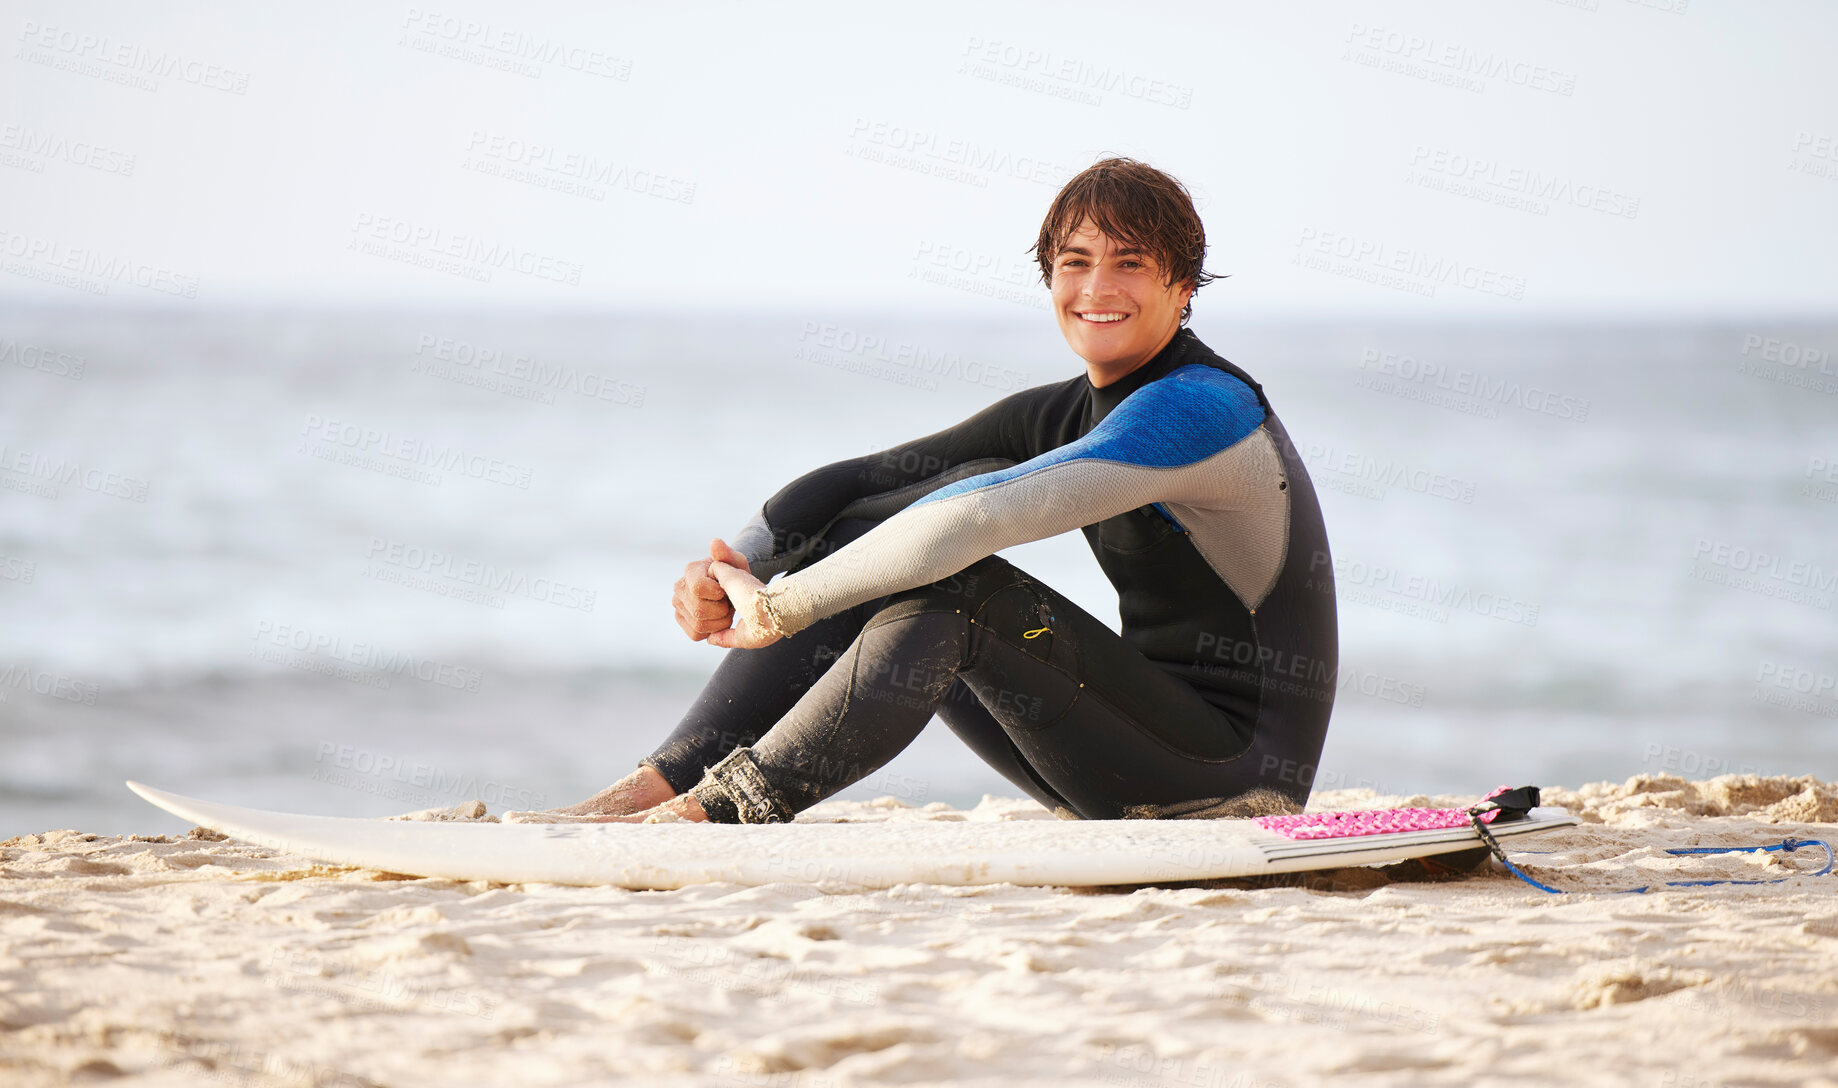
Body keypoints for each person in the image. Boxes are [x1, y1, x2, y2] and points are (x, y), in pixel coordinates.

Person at [505, 157, 1338, 826]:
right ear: (1049, 279)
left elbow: (980, 518)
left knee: (949, 582)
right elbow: (858, 484)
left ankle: (718, 814)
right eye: (1075, 263)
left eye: (1131, 264)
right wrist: (728, 571)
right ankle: (652, 790)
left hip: (1234, 781)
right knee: (880, 539)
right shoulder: (1072, 409)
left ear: (1184, 286)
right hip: (1119, 762)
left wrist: (779, 611)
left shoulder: (1203, 408)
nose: (1097, 289)